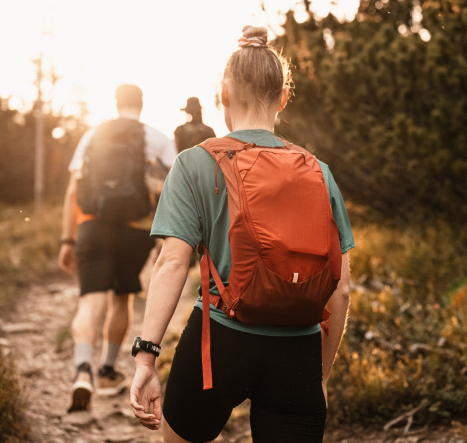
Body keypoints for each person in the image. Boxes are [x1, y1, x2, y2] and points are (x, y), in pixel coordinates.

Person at [129, 26, 355, 442]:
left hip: (219, 341)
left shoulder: (194, 164)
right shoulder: (319, 172)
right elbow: (340, 290)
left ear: (223, 96)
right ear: (283, 97)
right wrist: (319, 377)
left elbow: (172, 263)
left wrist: (147, 358)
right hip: (298, 351)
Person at [58, 83, 176, 412]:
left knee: (90, 301)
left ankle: (83, 369)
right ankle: (108, 369)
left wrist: (67, 240)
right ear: (141, 104)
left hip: (92, 226)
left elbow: (72, 192)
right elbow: (170, 189)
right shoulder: (157, 138)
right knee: (121, 298)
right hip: (135, 231)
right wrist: (164, 239)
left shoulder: (93, 135)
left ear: (115, 103)